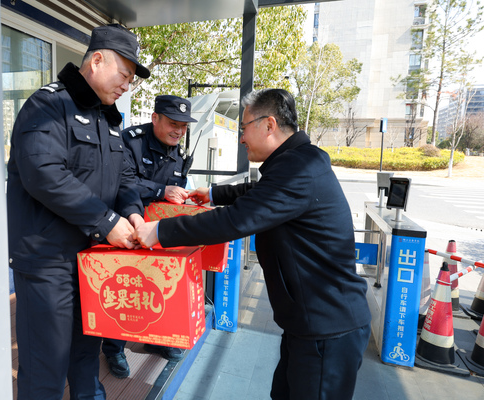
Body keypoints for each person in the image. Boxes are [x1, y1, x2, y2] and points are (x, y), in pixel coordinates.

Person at [134, 88, 372, 400]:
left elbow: (235, 220)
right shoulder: (298, 163)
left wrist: (159, 231)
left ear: (269, 125)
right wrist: (213, 193)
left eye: (244, 128)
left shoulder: (299, 170)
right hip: (309, 323)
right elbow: (259, 193)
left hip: (327, 328)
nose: (241, 138)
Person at [6, 24, 150, 400]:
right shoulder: (47, 105)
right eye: (124, 75)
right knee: (46, 369)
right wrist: (107, 221)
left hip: (93, 261)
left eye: (131, 80)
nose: (126, 86)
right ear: (97, 61)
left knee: (86, 357)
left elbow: (125, 178)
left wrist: (133, 213)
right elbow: (43, 173)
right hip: (48, 263)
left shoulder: (109, 119)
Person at [101, 95, 197, 378]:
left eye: (184, 126)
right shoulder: (130, 141)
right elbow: (122, 182)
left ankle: (156, 337)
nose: (179, 131)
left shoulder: (180, 154)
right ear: (155, 118)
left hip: (157, 232)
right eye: (173, 124)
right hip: (124, 227)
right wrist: (161, 190)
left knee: (157, 283)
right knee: (124, 285)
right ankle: (114, 347)